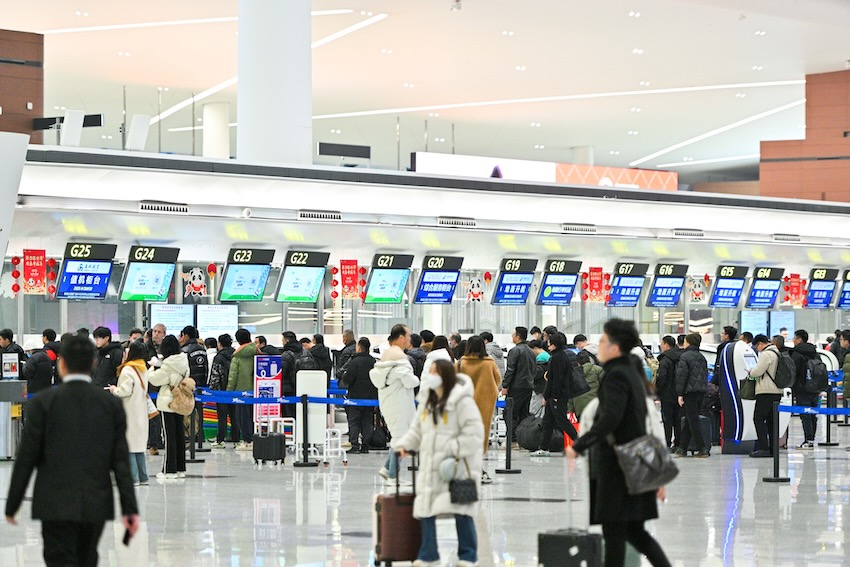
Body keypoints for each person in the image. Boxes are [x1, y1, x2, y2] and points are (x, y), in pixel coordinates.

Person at [4, 333, 139, 567]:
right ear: (94, 364)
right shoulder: (110, 404)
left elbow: (27, 456)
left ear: (62, 364)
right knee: (87, 558)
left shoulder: (43, 403)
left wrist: (12, 504)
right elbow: (120, 460)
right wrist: (130, 509)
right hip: (95, 502)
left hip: (54, 502)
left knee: (58, 559)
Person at [567, 319, 671, 567]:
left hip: (618, 467)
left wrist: (579, 446)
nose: (599, 345)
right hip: (634, 461)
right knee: (634, 532)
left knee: (615, 532)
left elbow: (610, 419)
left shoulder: (616, 375)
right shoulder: (631, 372)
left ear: (615, 347)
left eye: (603, 340)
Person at [394, 359, 484, 567]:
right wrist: (405, 445)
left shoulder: (462, 401)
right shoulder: (427, 400)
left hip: (456, 467)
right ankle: (428, 554)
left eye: (436, 372)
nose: (432, 376)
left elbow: (475, 433)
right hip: (430, 465)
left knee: (461, 511)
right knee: (426, 509)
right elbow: (417, 429)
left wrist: (452, 449)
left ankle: (468, 555)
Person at [370, 324, 419, 483]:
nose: (410, 339)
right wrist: (418, 379)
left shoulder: (386, 355)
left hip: (388, 402)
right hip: (400, 403)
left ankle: (387, 468)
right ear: (401, 337)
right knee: (401, 439)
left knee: (399, 437)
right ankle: (392, 476)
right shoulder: (400, 357)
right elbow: (409, 381)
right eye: (408, 336)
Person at [457, 335, 501, 484]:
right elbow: (498, 379)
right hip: (484, 405)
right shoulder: (489, 363)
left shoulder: (462, 363)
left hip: (464, 406)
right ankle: (478, 470)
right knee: (480, 437)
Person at [147, 335, 190, 478]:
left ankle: (169, 470)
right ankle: (180, 468)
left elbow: (154, 379)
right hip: (180, 401)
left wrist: (152, 367)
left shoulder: (167, 365)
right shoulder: (184, 361)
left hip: (167, 403)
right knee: (179, 435)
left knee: (169, 436)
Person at [109, 341, 150, 486]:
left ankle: (133, 478)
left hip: (129, 412)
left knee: (129, 446)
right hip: (141, 412)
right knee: (139, 446)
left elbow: (125, 391)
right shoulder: (143, 368)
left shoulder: (127, 370)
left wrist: (114, 389)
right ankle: (143, 476)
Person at [533, 332, 579, 456]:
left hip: (558, 396)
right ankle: (544, 448)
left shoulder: (558, 358)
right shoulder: (558, 356)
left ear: (554, 344)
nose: (547, 344)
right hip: (554, 396)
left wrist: (555, 396)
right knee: (548, 421)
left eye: (549, 342)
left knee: (562, 421)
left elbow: (557, 379)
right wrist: (547, 396)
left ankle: (580, 444)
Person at [746, 334, 784, 458]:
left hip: (766, 391)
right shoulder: (777, 353)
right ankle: (773, 449)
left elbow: (757, 371)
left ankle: (763, 448)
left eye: (757, 347)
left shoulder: (766, 354)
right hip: (777, 391)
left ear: (761, 343)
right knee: (771, 421)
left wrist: (751, 371)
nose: (757, 349)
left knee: (758, 418)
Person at [675, 333, 710, 458]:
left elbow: (681, 376)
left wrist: (680, 393)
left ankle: (702, 448)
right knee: (691, 419)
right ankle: (682, 448)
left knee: (693, 420)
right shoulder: (701, 357)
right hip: (701, 392)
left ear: (688, 343)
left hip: (689, 392)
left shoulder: (685, 357)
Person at [341, 337, 377, 453]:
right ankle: (366, 445)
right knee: (367, 421)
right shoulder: (373, 362)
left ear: (359, 347)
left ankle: (355, 444)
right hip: (371, 397)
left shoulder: (354, 362)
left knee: (354, 421)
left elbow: (348, 379)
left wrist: (343, 376)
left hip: (355, 397)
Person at [500, 327, 537, 434]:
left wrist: (505, 386)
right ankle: (523, 437)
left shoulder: (515, 351)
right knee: (523, 414)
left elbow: (510, 370)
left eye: (513, 335)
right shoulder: (531, 351)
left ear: (518, 336)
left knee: (509, 413)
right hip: (528, 386)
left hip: (516, 387)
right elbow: (534, 369)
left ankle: (512, 439)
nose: (512, 337)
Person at [227, 329, 258, 450]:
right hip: (256, 390)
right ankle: (255, 439)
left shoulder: (238, 356)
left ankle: (247, 441)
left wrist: (229, 390)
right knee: (253, 416)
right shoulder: (257, 352)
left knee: (242, 416)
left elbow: (233, 375)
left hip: (241, 391)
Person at [179, 325, 208, 445]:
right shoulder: (203, 349)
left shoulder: (185, 350)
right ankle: (199, 436)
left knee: (187, 411)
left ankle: (189, 436)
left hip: (188, 386)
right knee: (199, 411)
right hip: (201, 385)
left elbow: (183, 369)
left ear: (186, 336)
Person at [790, 329, 819, 449]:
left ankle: (808, 439)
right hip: (815, 387)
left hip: (802, 388)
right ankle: (811, 439)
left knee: (805, 415)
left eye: (795, 338)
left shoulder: (797, 354)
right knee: (812, 414)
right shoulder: (814, 352)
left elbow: (793, 371)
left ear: (800, 340)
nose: (793, 340)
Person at [209, 334, 238, 448]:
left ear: (219, 344)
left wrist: (212, 388)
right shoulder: (236, 355)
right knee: (234, 415)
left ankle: (220, 439)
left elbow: (215, 375)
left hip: (221, 391)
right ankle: (236, 439)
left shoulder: (219, 357)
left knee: (222, 416)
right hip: (235, 390)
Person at [280, 330, 317, 417]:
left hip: (289, 390)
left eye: (283, 340)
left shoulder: (286, 354)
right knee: (302, 415)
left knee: (289, 416)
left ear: (287, 341)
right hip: (305, 388)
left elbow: (281, 372)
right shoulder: (306, 352)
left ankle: (290, 431)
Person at [655, 336, 682, 449]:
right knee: (678, 420)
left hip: (667, 394)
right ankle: (678, 443)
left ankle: (667, 443)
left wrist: (657, 391)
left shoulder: (665, 360)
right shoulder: (681, 357)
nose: (661, 346)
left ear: (666, 345)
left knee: (667, 420)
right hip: (679, 393)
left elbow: (662, 377)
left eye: (662, 344)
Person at [145, 323, 166, 456]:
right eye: (154, 331)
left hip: (162, 387)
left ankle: (158, 440)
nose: (156, 334)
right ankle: (152, 442)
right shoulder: (146, 348)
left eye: (159, 332)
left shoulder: (166, 348)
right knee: (151, 417)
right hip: (149, 386)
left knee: (160, 416)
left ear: (164, 334)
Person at [22, 329, 60, 394]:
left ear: (45, 337)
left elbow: (27, 372)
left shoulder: (46, 351)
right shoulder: (59, 348)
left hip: (36, 388)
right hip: (52, 384)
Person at [570, 349, 603, 423]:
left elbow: (571, 393)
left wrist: (570, 410)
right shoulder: (598, 370)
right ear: (589, 360)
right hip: (595, 405)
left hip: (579, 407)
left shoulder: (573, 373)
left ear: (578, 362)